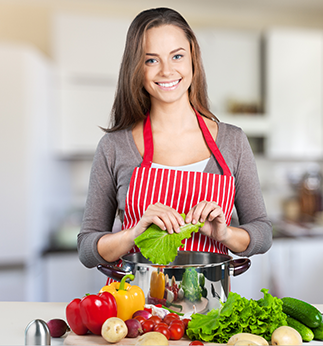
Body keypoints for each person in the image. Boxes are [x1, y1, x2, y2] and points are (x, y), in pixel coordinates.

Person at [77, 7, 272, 277]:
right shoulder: (114, 146)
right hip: (136, 311)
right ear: (136, 67)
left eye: (177, 56)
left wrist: (225, 234)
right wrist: (134, 234)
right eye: (151, 60)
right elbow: (87, 248)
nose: (167, 71)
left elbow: (262, 233)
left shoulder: (233, 141)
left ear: (193, 58)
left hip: (209, 309)